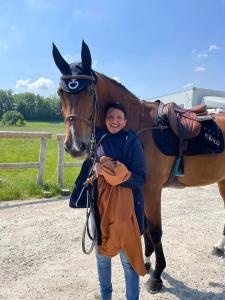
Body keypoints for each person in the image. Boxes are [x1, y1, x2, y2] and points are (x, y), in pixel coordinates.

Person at [92, 102, 147, 300]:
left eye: (118, 118)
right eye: (110, 117)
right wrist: (95, 171)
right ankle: (105, 296)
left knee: (129, 260)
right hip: (101, 208)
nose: (114, 121)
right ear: (105, 120)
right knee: (102, 258)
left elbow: (141, 178)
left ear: (125, 121)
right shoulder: (98, 139)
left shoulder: (132, 142)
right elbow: (89, 171)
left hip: (126, 211)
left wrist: (113, 173)